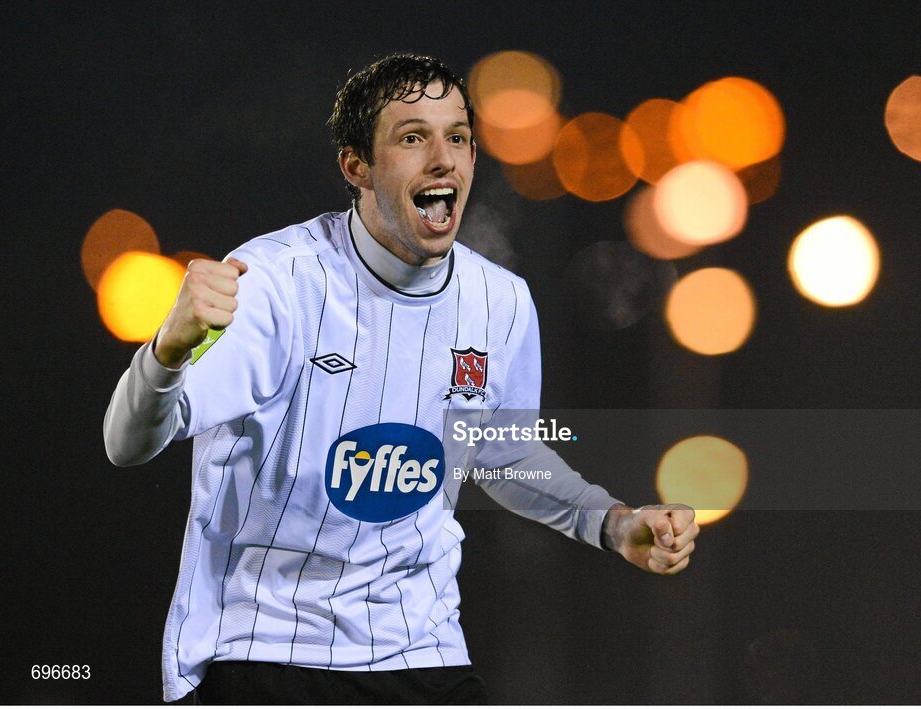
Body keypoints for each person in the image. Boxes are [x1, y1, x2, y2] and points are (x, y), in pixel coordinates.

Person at [104, 53, 699, 705]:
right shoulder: (274, 281)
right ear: (355, 165)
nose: (443, 158)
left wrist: (610, 521)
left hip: (422, 651)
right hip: (264, 654)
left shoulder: (499, 300)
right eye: (413, 137)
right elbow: (127, 442)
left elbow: (503, 453)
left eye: (459, 138)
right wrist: (167, 349)